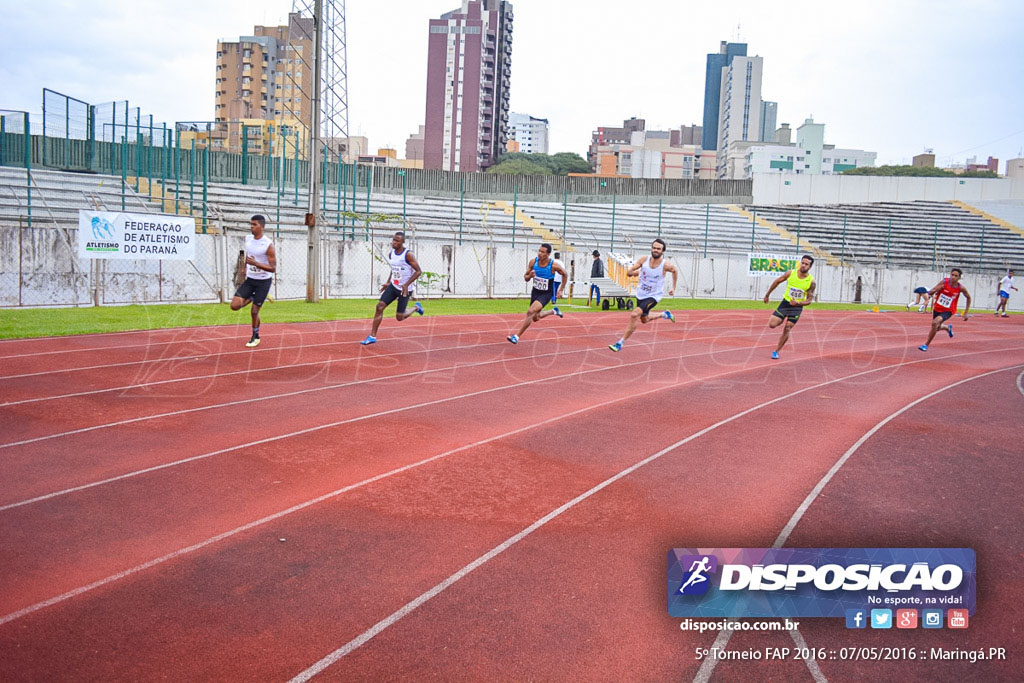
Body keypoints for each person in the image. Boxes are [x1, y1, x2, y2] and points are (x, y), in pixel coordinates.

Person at [608, 238, 677, 352]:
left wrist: (673, 287)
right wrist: (633, 273)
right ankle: (664, 314)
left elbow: (675, 271)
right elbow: (630, 272)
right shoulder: (644, 260)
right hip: (641, 294)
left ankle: (620, 343)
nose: (655, 250)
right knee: (644, 319)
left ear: (663, 251)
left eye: (658, 249)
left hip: (653, 296)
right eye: (654, 248)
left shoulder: (665, 265)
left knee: (634, 314)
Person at [361, 231, 425, 345]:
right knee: (379, 307)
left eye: (397, 241)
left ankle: (416, 307)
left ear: (403, 242)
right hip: (394, 286)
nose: (394, 242)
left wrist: (406, 284)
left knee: (399, 317)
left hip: (405, 290)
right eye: (393, 240)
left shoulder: (408, 254)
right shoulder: (392, 253)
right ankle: (372, 336)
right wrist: (388, 282)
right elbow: (394, 268)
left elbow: (418, 271)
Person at [230, 215, 276, 348]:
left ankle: (255, 336)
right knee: (234, 306)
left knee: (254, 311)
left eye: (254, 224)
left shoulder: (268, 244)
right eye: (250, 224)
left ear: (262, 227)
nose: (251, 227)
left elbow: (273, 268)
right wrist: (244, 268)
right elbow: (248, 255)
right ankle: (253, 296)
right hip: (250, 279)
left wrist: (256, 263)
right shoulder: (248, 239)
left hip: (263, 281)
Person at [507, 243, 567, 344]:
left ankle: (516, 336)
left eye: (542, 252)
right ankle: (553, 311)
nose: (539, 253)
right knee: (535, 317)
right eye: (539, 251)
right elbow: (526, 278)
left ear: (548, 254)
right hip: (535, 292)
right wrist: (530, 275)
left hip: (546, 293)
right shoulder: (533, 262)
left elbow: (565, 274)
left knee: (530, 312)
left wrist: (561, 290)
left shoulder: (553, 266)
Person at [762, 254, 816, 359]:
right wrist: (767, 295)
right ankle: (782, 318)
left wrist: (798, 303)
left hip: (796, 308)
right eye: (803, 263)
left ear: (810, 267)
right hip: (785, 303)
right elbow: (777, 281)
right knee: (772, 324)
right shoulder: (791, 273)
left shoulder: (811, 282)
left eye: (806, 264)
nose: (803, 265)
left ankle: (776, 351)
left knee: (787, 328)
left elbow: (809, 300)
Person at [919, 267, 971, 352]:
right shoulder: (944, 282)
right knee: (937, 327)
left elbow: (968, 298)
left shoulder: (961, 288)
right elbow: (931, 292)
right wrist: (937, 289)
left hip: (949, 310)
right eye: (952, 275)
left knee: (934, 323)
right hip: (938, 307)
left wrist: (966, 312)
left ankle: (926, 345)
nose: (953, 277)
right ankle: (947, 328)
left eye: (956, 276)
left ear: (959, 277)